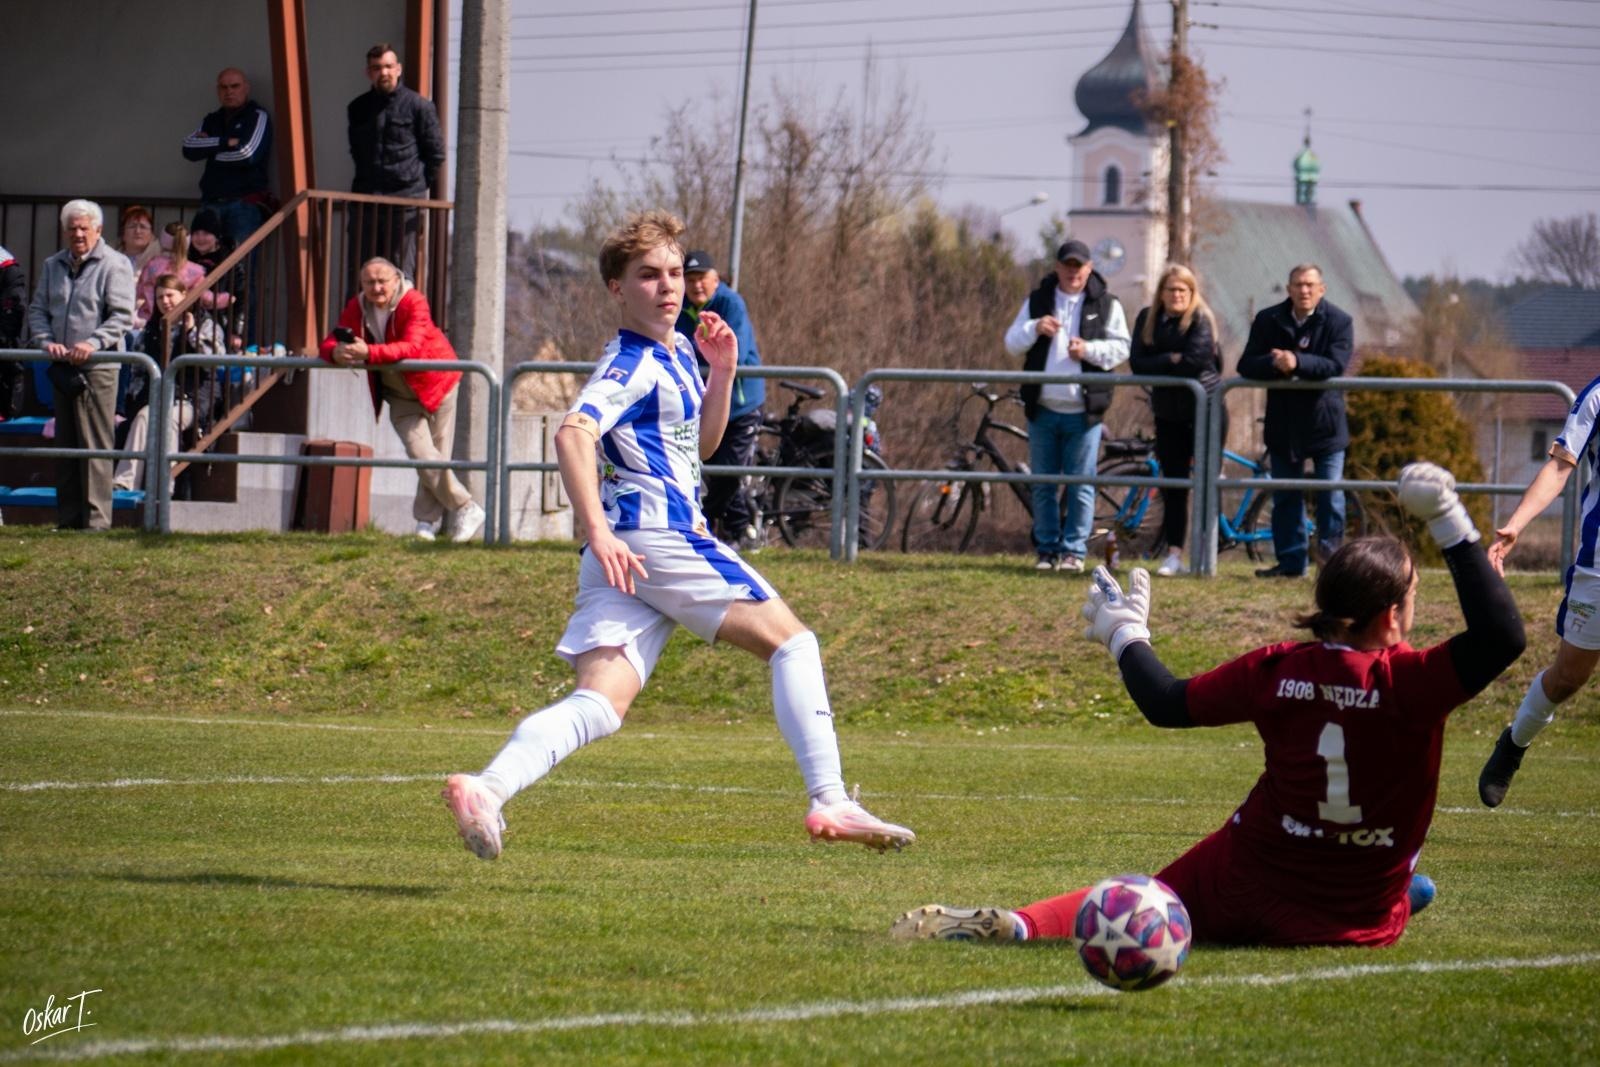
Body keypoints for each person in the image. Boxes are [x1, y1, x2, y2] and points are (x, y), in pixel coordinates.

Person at [441, 210, 914, 861]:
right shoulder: (631, 361)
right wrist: (599, 529)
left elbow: (702, 448)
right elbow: (573, 432)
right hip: (656, 536)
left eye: (673, 272)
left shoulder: (677, 354)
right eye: (647, 275)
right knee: (794, 645)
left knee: (601, 704)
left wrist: (720, 374)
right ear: (616, 288)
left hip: (630, 558)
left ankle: (487, 787)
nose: (667, 286)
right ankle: (829, 797)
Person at [892, 462, 1523, 948]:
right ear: (1392, 616)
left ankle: (1027, 925)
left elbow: (1166, 703)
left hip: (1247, 884)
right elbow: (1503, 636)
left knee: (1149, 897)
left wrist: (1124, 636)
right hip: (1354, 916)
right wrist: (1450, 521)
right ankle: (1400, 895)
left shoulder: (1278, 669)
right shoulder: (1412, 682)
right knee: (1401, 891)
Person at [1476, 373, 1600, 808]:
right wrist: (1516, 525)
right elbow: (1559, 466)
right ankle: (1514, 743)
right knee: (1568, 677)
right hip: (1598, 566)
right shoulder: (1596, 396)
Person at [319, 257, 485, 543]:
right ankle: (465, 507)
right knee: (422, 454)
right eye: (370, 282)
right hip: (398, 393)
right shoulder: (358, 306)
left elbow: (412, 346)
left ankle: (425, 524)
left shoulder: (414, 301)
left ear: (396, 280)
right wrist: (335, 353)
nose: (377, 287)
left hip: (437, 383)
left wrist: (368, 353)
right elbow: (330, 341)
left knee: (435, 457)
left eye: (382, 281)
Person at [1004, 239, 1130, 573]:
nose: (1073, 272)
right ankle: (1046, 550)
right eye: (1067, 265)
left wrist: (1088, 350)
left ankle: (1074, 552)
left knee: (1080, 485)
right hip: (1043, 408)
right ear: (1058, 267)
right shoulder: (1038, 300)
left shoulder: (1107, 304)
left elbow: (1121, 348)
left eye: (1079, 266)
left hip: (1084, 412)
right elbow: (1012, 342)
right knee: (1043, 484)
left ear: (1089, 269)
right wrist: (1034, 328)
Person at [1237, 263, 1354, 579]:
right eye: (1298, 285)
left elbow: (1336, 364)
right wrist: (1276, 363)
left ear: (1322, 289)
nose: (1304, 290)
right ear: (1288, 289)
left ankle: (1331, 568)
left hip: (1325, 425)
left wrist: (1297, 361)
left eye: (1310, 285)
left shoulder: (1340, 322)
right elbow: (1246, 364)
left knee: (1331, 496)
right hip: (1284, 424)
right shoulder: (1268, 319)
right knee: (1286, 495)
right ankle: (1291, 565)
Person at [26, 200, 136, 530]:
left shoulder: (115, 264)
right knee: (66, 444)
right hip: (62, 366)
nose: (78, 233)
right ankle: (68, 519)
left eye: (84, 227)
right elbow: (37, 311)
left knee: (95, 445)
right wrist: (47, 342)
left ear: (98, 230)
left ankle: (97, 522)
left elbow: (122, 316)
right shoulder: (52, 265)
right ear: (64, 231)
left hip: (98, 367)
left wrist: (93, 343)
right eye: (72, 228)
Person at [1128, 264, 1224, 577]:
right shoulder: (1148, 319)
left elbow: (1196, 362)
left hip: (1205, 410)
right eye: (1171, 289)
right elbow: (1138, 364)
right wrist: (1171, 359)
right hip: (1168, 413)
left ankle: (1206, 555)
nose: (1177, 295)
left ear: (1192, 293)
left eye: (1183, 290)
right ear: (1161, 293)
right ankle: (1174, 554)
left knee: (1208, 483)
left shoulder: (1200, 319)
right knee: (1174, 485)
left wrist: (1165, 363)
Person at [675, 249, 766, 548]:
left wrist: (696, 351)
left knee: (728, 472)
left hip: (741, 404)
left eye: (702, 278)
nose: (696, 285)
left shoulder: (730, 303)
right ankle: (742, 532)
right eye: (690, 279)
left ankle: (703, 529)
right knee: (710, 469)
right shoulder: (681, 306)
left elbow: (726, 349)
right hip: (707, 403)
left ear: (716, 279)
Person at [112, 274, 224, 493]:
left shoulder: (205, 323)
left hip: (193, 400)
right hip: (159, 398)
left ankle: (164, 485)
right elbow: (138, 368)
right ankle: (124, 483)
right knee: (144, 416)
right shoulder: (153, 329)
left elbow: (217, 357)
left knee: (168, 420)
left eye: (170, 295)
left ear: (184, 295)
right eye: (160, 297)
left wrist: (192, 332)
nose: (165, 301)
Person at [346, 43, 445, 282]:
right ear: (369, 73)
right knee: (361, 274)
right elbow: (357, 151)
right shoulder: (358, 108)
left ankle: (399, 321)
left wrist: (414, 186)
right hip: (366, 200)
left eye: (389, 66)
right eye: (377, 68)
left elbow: (436, 154)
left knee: (400, 275)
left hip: (404, 204)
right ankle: (359, 321)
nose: (384, 73)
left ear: (398, 69)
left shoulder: (418, 106)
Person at [181, 68, 274, 249]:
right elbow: (189, 148)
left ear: (246, 88)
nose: (229, 92)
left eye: (235, 86)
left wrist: (209, 149)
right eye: (223, 87)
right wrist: (226, 142)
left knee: (239, 268)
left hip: (243, 204)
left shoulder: (256, 116)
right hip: (210, 202)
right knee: (203, 265)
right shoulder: (212, 119)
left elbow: (247, 154)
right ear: (218, 91)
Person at [135, 222, 207, 329]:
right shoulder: (195, 271)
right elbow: (205, 296)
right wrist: (222, 299)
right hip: (183, 320)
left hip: (149, 319)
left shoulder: (153, 265)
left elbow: (140, 290)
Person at [116, 205, 161, 279]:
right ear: (123, 233)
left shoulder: (159, 260)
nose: (137, 231)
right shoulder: (111, 258)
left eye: (143, 227)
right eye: (132, 226)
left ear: (152, 234)